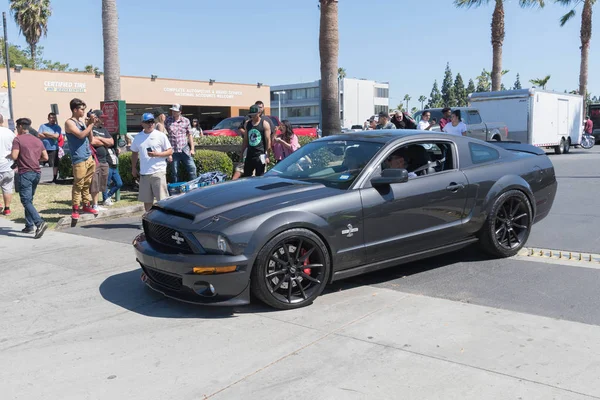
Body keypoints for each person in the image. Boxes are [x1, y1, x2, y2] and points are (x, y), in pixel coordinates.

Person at [11, 118, 49, 238]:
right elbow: (45, 157)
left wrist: (12, 155)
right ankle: (29, 226)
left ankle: (39, 222)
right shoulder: (37, 140)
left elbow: (14, 155)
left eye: (17, 127)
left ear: (21, 127)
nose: (17, 129)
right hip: (37, 172)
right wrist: (34, 159)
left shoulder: (18, 139)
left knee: (25, 200)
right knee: (29, 199)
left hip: (25, 173)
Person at [131, 113, 173, 211]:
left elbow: (170, 151)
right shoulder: (138, 137)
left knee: (162, 200)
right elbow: (134, 152)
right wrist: (133, 167)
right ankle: (149, 222)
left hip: (158, 171)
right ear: (142, 123)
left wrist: (157, 154)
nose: (150, 124)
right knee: (147, 201)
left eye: (152, 122)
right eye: (147, 122)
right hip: (144, 173)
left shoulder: (160, 135)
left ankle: (163, 222)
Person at [65, 98, 98, 219]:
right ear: (75, 109)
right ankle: (75, 208)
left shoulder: (82, 122)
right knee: (78, 184)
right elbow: (80, 135)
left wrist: (90, 125)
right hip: (79, 158)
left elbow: (90, 138)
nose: (84, 111)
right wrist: (90, 125)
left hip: (88, 156)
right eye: (82, 109)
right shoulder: (70, 123)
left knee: (87, 183)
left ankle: (86, 204)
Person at [165, 104, 197, 182]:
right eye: (172, 110)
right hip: (173, 150)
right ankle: (176, 189)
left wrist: (192, 149)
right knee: (175, 172)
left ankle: (194, 187)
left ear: (180, 112)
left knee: (192, 168)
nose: (173, 112)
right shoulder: (167, 120)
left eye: (175, 111)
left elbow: (189, 135)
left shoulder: (186, 120)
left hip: (184, 149)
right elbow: (164, 134)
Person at [89, 110, 113, 211]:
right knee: (94, 183)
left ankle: (98, 203)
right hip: (95, 160)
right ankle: (94, 204)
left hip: (104, 160)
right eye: (102, 117)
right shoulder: (91, 128)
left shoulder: (103, 130)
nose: (104, 119)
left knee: (102, 183)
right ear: (96, 118)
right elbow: (92, 141)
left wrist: (99, 138)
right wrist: (104, 141)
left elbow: (111, 142)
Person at [242, 104, 271, 177]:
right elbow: (245, 139)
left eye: (254, 115)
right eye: (251, 115)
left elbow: (268, 140)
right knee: (246, 175)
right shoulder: (247, 124)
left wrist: (268, 155)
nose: (253, 117)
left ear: (259, 113)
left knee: (260, 176)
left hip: (260, 154)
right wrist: (242, 153)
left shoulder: (264, 124)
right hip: (250, 154)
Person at [37, 113, 62, 183]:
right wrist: (51, 136)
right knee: (39, 162)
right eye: (51, 118)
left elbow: (56, 136)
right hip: (43, 148)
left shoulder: (57, 127)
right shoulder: (43, 126)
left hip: (53, 148)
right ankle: (38, 178)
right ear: (48, 118)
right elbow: (39, 135)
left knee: (54, 164)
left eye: (54, 118)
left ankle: (54, 179)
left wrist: (46, 133)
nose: (52, 119)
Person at [0, 114, 15, 215]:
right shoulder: (9, 132)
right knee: (7, 188)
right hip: (8, 165)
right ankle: (7, 208)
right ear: (2, 121)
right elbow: (16, 146)